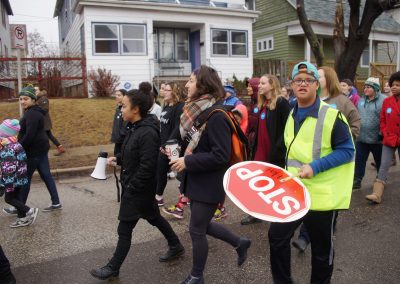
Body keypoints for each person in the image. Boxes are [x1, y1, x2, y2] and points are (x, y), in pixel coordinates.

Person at [268, 61, 355, 283]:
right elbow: (288, 151)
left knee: (321, 250)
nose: (303, 83)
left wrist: (314, 167)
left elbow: (347, 151)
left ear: (317, 85)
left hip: (322, 195)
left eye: (308, 80)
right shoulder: (291, 113)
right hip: (294, 190)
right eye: (298, 80)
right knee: (277, 237)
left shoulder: (332, 116)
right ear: (292, 85)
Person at [90, 84, 185, 281]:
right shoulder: (134, 128)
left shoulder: (148, 132)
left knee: (124, 228)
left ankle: (113, 267)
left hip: (138, 190)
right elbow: (133, 155)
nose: (121, 109)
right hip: (136, 188)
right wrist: (118, 160)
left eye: (124, 106)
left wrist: (132, 188)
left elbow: (147, 166)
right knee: (153, 217)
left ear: (136, 109)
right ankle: (175, 245)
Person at [170, 65, 251, 284]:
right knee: (203, 226)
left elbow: (220, 156)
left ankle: (197, 276)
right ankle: (240, 242)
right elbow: (199, 145)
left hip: (210, 183)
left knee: (196, 230)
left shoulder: (217, 116)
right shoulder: (202, 110)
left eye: (190, 80)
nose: (186, 84)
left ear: (203, 85)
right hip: (199, 180)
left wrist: (187, 161)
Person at [292, 66, 361, 252]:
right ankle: (305, 238)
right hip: (306, 177)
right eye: (299, 80)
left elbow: (353, 125)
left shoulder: (340, 101)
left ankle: (319, 233)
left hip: (329, 174)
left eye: (315, 77)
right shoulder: (298, 106)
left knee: (324, 223)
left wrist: (347, 138)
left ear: (324, 80)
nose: (305, 82)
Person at [241, 74, 291, 225]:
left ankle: (278, 215)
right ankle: (256, 213)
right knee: (258, 184)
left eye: (263, 83)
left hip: (274, 154)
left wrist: (278, 150)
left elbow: (288, 129)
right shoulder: (263, 103)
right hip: (260, 152)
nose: (260, 86)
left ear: (272, 85)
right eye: (260, 83)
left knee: (275, 187)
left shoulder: (281, 103)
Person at [3, 86, 62, 215]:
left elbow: (29, 135)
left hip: (33, 151)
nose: (23, 101)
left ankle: (20, 207)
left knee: (24, 179)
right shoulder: (32, 112)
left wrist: (16, 147)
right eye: (20, 99)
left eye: (26, 99)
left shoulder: (32, 114)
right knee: (46, 175)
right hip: (40, 149)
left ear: (33, 99)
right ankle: (56, 202)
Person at [365, 71, 400, 204]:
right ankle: (376, 194)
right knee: (384, 165)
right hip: (389, 138)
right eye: (393, 84)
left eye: (398, 84)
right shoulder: (387, 101)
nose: (394, 87)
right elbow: (383, 119)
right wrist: (384, 131)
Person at [0, 119, 38, 228]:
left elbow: (9, 168)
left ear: (5, 134)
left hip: (12, 180)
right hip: (19, 177)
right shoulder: (15, 143)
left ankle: (30, 210)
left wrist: (8, 184)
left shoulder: (7, 148)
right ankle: (22, 218)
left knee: (9, 199)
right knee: (16, 198)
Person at [155, 82, 184, 207]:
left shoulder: (179, 106)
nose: (164, 92)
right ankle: (158, 197)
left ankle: (185, 197)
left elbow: (178, 128)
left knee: (180, 172)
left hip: (174, 145)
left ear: (175, 92)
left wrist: (167, 144)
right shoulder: (166, 106)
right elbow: (163, 127)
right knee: (160, 170)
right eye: (164, 90)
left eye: (167, 90)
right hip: (163, 145)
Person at [353, 77, 385, 190]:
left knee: (380, 161)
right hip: (362, 138)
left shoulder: (383, 101)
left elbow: (385, 118)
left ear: (375, 89)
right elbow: (356, 116)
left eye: (369, 87)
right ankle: (357, 180)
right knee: (359, 160)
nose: (365, 89)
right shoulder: (361, 101)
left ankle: (381, 180)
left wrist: (382, 133)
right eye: (365, 86)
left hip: (377, 139)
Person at [35, 86, 66, 156]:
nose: (35, 91)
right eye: (34, 90)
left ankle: (44, 150)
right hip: (40, 121)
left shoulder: (43, 98)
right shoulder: (37, 99)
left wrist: (35, 109)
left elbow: (45, 110)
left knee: (45, 136)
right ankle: (60, 147)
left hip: (44, 122)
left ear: (39, 91)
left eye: (36, 90)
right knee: (48, 135)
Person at [111, 89, 127, 155]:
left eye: (119, 95)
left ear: (125, 96)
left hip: (123, 140)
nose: (116, 96)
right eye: (116, 95)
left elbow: (126, 123)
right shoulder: (118, 108)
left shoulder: (126, 109)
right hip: (118, 140)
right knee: (116, 157)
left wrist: (122, 133)